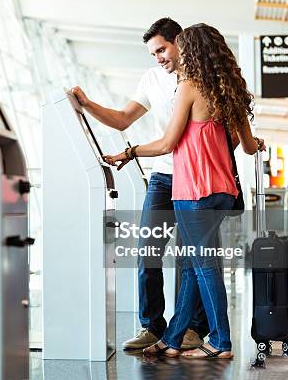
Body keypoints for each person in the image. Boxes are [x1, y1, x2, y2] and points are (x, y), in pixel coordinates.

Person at [103, 23, 266, 359]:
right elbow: (248, 147)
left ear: (189, 49)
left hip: (194, 190)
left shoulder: (190, 86)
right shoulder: (230, 89)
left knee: (204, 265)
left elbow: (167, 142)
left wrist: (128, 152)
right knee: (193, 265)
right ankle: (174, 338)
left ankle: (221, 342)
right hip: (224, 190)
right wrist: (256, 142)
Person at [70, 18, 208, 351]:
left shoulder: (202, 76)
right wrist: (87, 104)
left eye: (162, 49)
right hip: (162, 177)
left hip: (195, 177)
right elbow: (122, 119)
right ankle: (152, 326)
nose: (158, 57)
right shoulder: (152, 79)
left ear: (179, 41)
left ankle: (193, 329)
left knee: (192, 257)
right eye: (153, 53)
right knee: (149, 251)